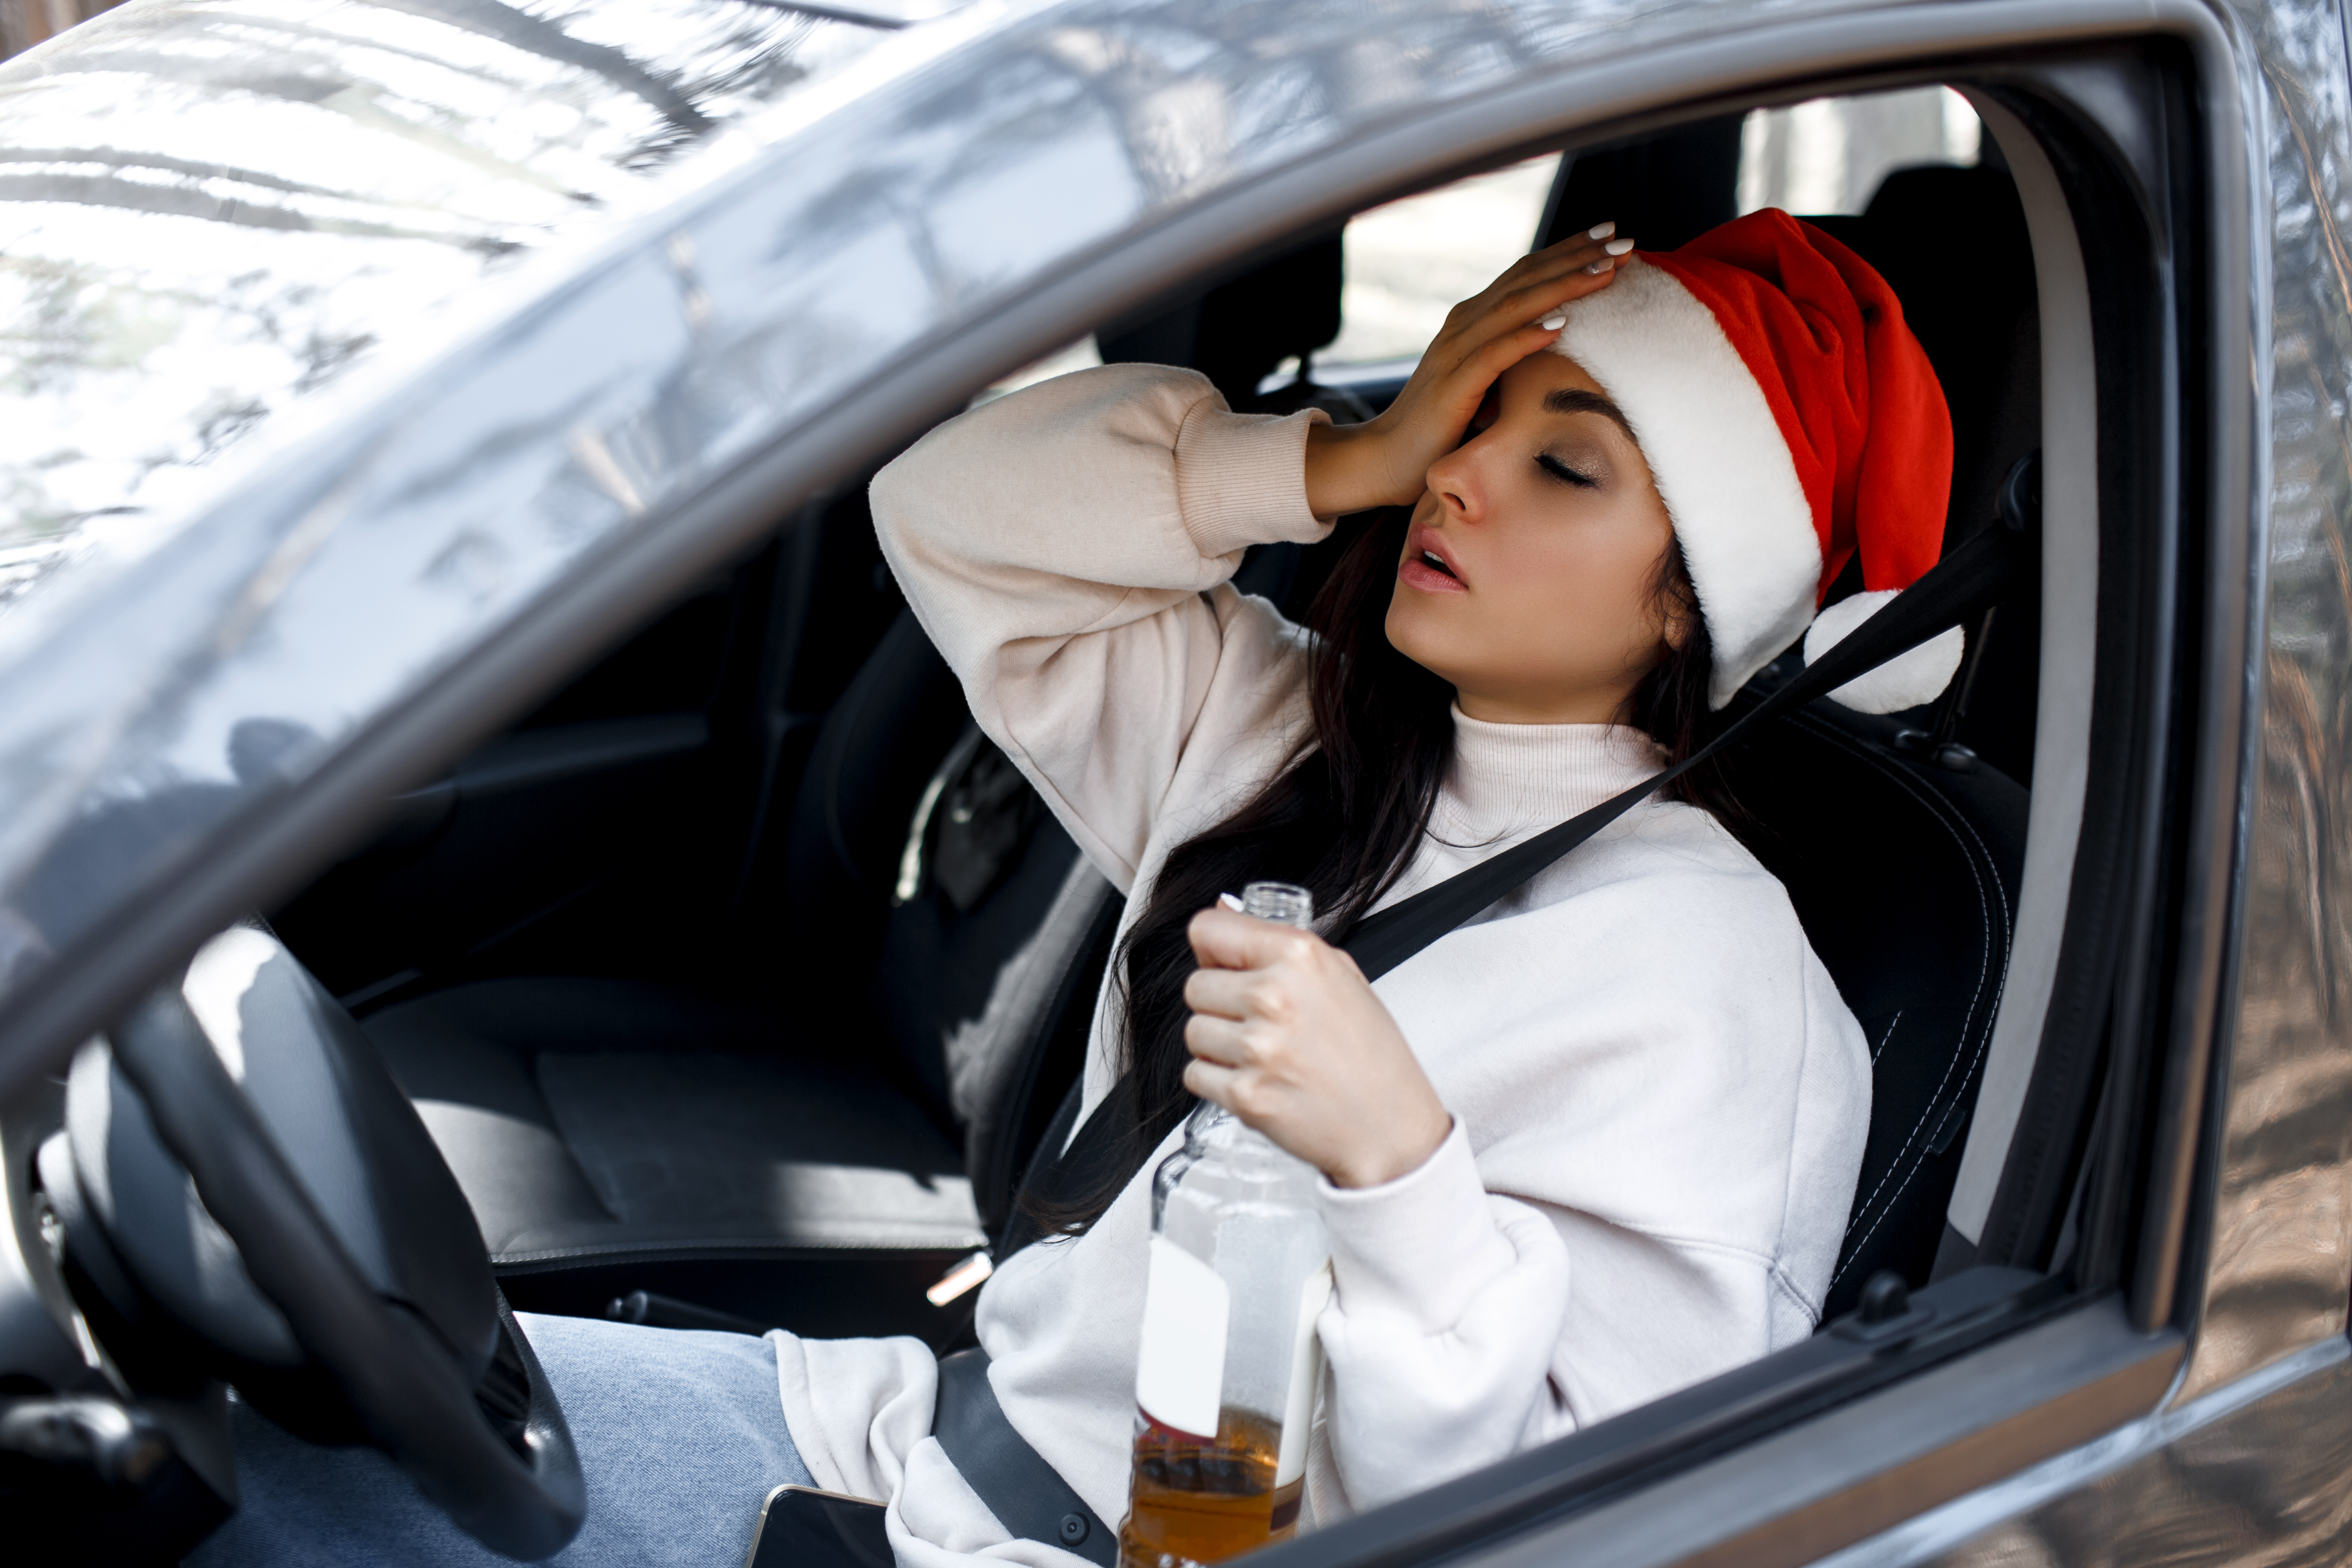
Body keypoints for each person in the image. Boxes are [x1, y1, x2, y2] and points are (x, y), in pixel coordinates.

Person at [194, 209, 1960, 1567]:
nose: (1462, 471)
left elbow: (1580, 1521)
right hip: (897, 1438)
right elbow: (946, 510)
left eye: (1560, 461)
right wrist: (1325, 460)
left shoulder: (1716, 987)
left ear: (1692, 605)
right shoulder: (1293, 731)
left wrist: (1400, 1165)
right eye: (1469, 412)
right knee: (235, 1426)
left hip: (1077, 1542)